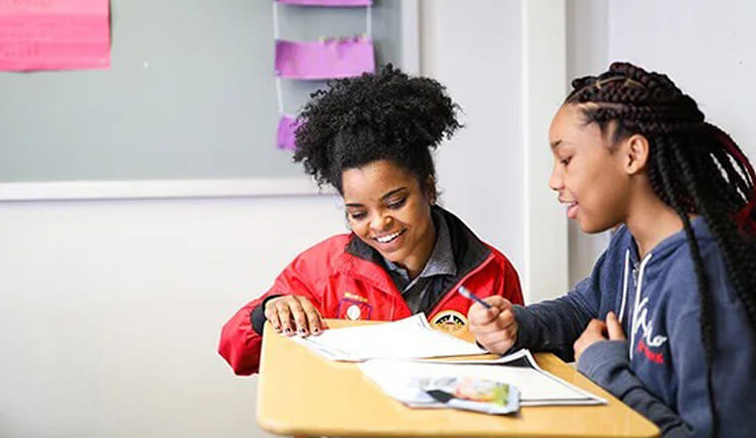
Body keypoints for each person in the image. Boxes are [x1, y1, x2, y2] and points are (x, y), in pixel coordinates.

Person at [468, 62, 756, 437]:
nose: (554, 180)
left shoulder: (704, 277)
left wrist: (607, 370)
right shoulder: (629, 243)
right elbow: (585, 307)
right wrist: (518, 325)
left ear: (632, 154)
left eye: (566, 159)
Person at [219, 64, 523, 376]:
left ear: (428, 189)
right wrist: (265, 314)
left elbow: (519, 370)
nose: (378, 224)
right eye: (358, 213)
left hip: (447, 423)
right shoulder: (323, 269)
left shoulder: (491, 272)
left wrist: (509, 339)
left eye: (395, 202)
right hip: (348, 423)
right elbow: (235, 351)